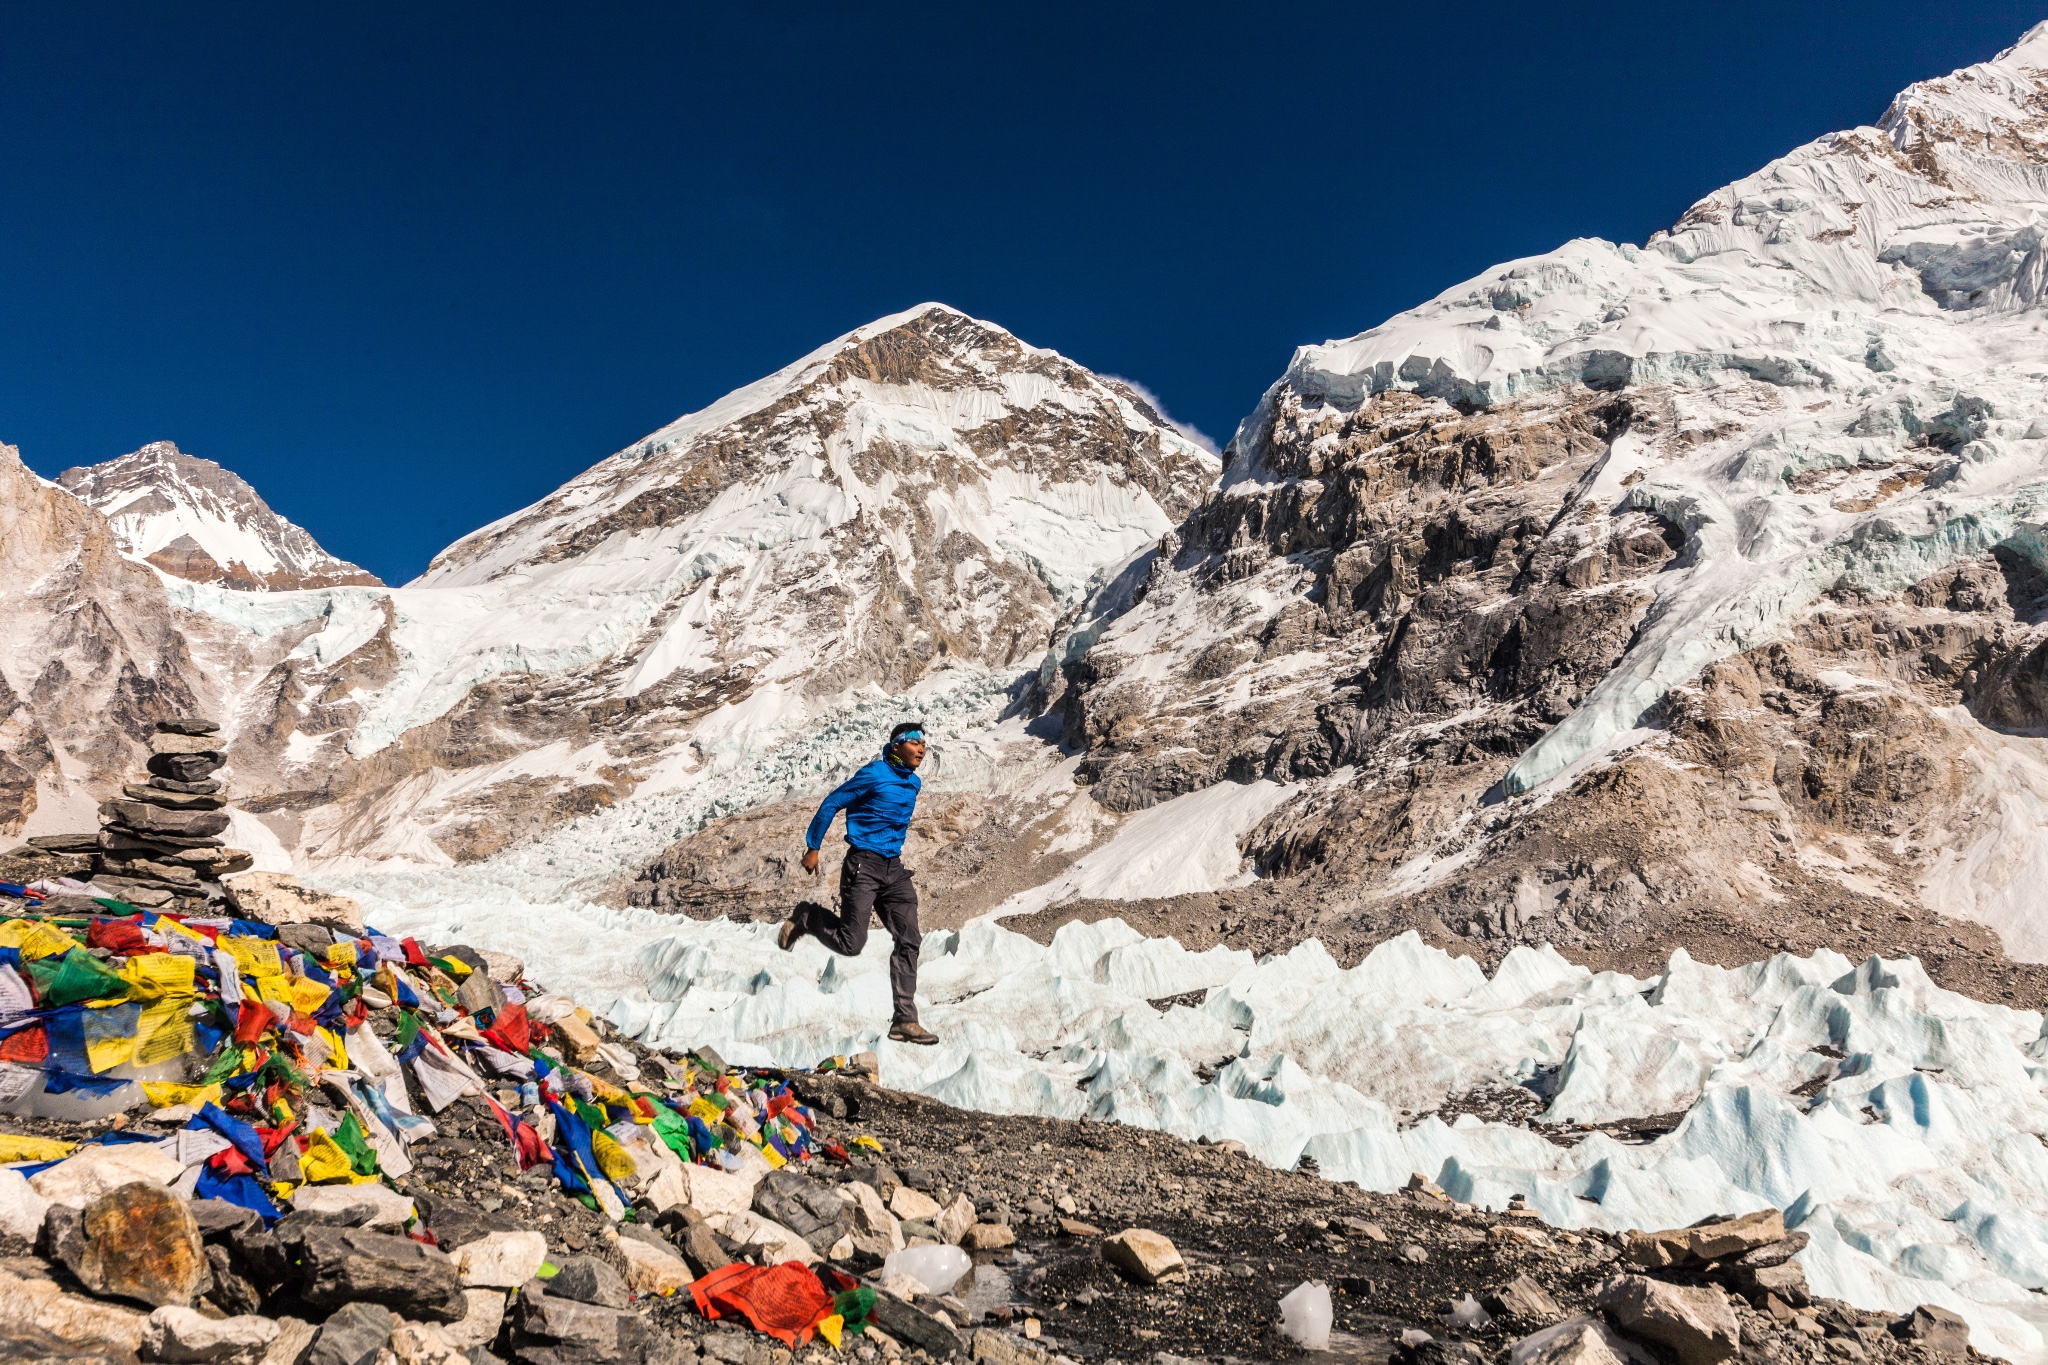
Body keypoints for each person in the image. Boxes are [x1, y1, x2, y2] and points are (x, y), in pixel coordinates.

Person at [777, 722, 941, 1045]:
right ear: (896, 746)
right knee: (852, 943)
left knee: (910, 939)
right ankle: (807, 917)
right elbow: (833, 802)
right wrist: (813, 846)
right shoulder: (875, 774)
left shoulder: (914, 783)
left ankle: (904, 1020)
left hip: (893, 869)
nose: (921, 748)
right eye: (913, 742)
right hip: (863, 864)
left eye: (924, 743)